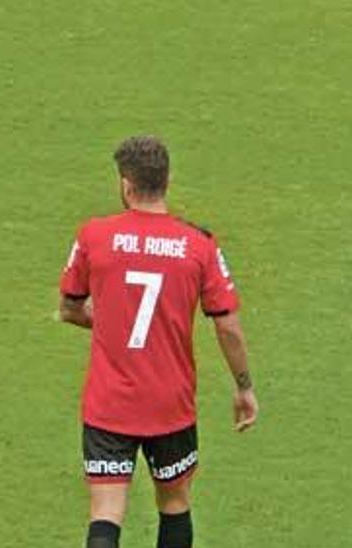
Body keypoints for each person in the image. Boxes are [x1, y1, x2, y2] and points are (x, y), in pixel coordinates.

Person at [58, 136, 260, 548]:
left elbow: (70, 308)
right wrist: (243, 386)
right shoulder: (198, 245)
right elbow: (228, 326)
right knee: (174, 502)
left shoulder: (94, 235)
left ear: (126, 185)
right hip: (170, 404)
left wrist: (109, 322)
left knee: (105, 510)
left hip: (109, 403)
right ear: (166, 182)